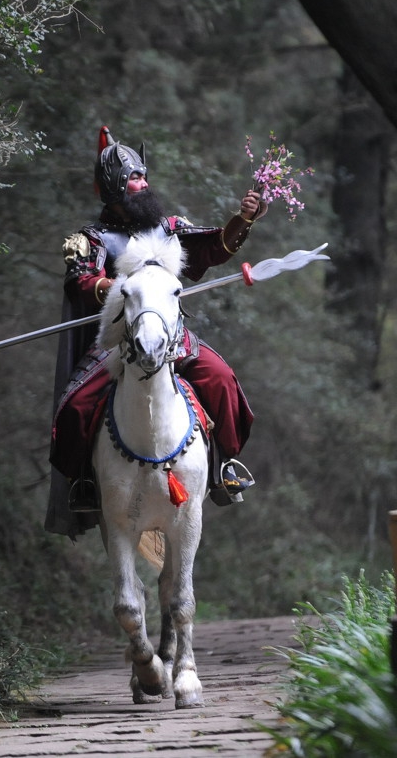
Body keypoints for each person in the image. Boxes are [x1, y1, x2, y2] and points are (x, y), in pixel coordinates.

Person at [45, 125, 266, 537]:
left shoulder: (169, 228)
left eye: (143, 175)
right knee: (74, 409)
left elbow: (213, 246)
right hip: (116, 344)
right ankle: (86, 484)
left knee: (221, 380)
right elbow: (78, 283)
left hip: (173, 338)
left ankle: (222, 467)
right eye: (134, 177)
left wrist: (244, 219)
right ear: (115, 185)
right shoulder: (89, 239)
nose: (143, 183)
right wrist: (124, 288)